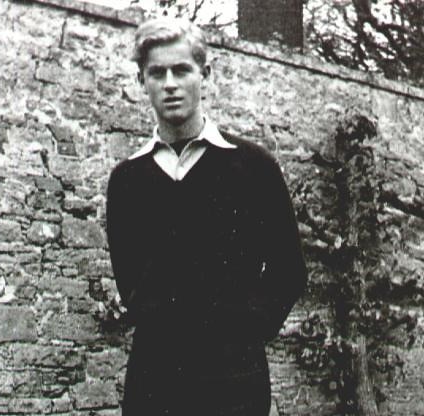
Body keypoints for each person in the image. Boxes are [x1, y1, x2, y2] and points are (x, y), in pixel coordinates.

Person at [106, 17, 308, 416]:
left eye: (182, 70)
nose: (170, 84)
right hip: (154, 383)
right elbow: (131, 284)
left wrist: (243, 334)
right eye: (156, 73)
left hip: (235, 384)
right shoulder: (127, 180)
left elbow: (289, 271)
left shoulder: (253, 167)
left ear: (205, 74)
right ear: (141, 81)